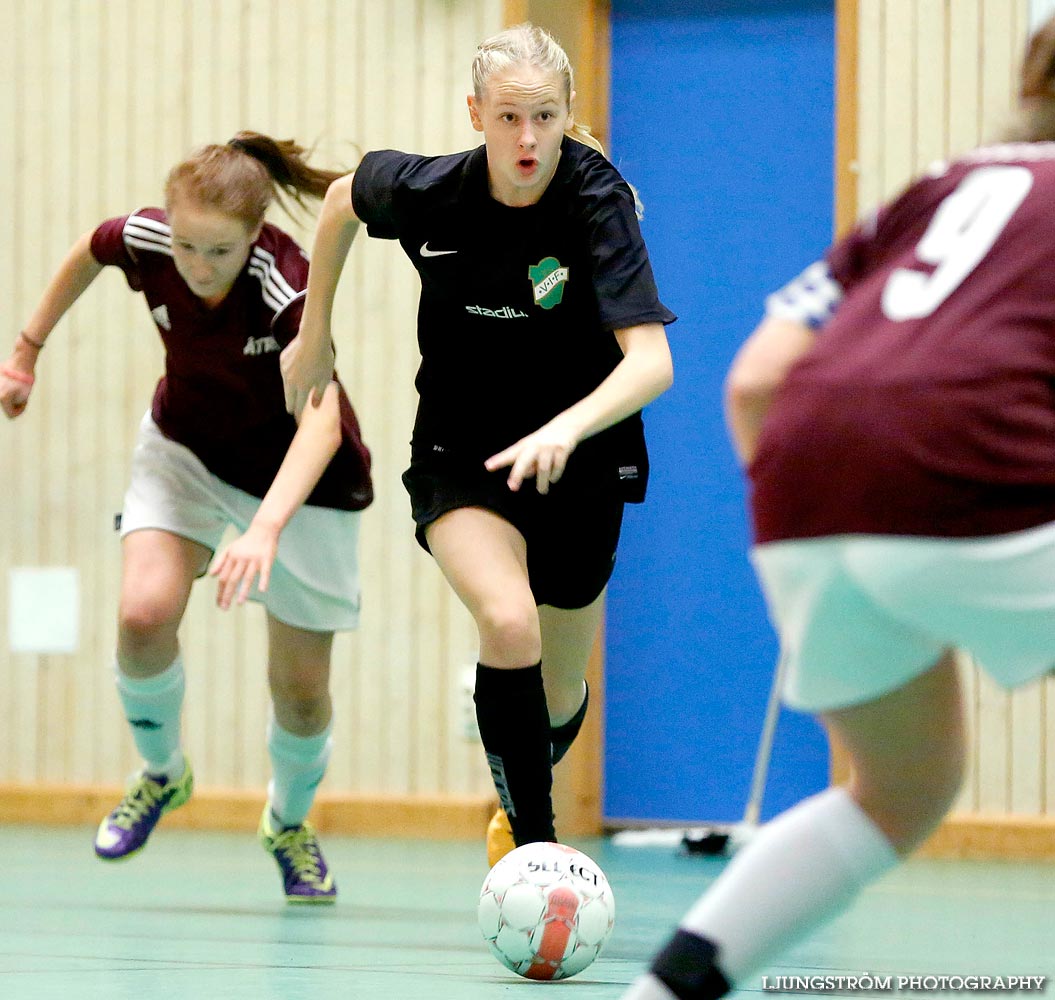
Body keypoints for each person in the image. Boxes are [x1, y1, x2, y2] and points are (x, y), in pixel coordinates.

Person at [621, 15, 1055, 1000]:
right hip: (970, 459)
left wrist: (832, 523)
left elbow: (752, 382)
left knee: (897, 790)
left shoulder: (945, 184)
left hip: (804, 480)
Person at [282, 23, 675, 866]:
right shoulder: (430, 191)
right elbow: (340, 200)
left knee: (561, 691)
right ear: (475, 114)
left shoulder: (598, 203)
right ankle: (537, 857)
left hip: (582, 459)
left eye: (542, 117)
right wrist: (313, 334)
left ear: (567, 117)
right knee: (507, 623)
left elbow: (651, 364)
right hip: (463, 451)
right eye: (506, 118)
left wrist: (566, 428)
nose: (525, 139)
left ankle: (515, 802)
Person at [0, 132, 373, 904]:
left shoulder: (286, 285)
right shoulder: (147, 241)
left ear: (255, 236)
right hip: (187, 452)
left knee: (299, 692)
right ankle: (162, 774)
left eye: (219, 251)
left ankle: (289, 823)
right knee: (142, 613)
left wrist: (265, 527)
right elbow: (91, 249)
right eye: (186, 247)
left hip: (302, 483)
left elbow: (324, 421)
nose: (198, 267)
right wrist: (27, 349)